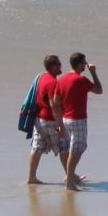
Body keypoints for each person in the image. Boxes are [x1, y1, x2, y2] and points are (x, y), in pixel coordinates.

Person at [56, 53, 103, 191]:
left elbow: (56, 101)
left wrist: (58, 121)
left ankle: (70, 176)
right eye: (84, 63)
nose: (86, 65)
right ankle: (70, 181)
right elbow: (99, 90)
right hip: (77, 119)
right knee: (77, 149)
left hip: (65, 119)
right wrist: (93, 73)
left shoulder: (61, 79)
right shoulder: (81, 79)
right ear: (80, 64)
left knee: (67, 149)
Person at [26, 54, 68, 185]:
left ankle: (31, 177)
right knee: (64, 147)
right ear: (52, 66)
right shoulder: (53, 82)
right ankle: (70, 175)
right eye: (59, 64)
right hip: (51, 120)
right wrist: (60, 124)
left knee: (36, 148)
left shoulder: (42, 76)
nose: (61, 66)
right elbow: (54, 105)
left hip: (39, 120)